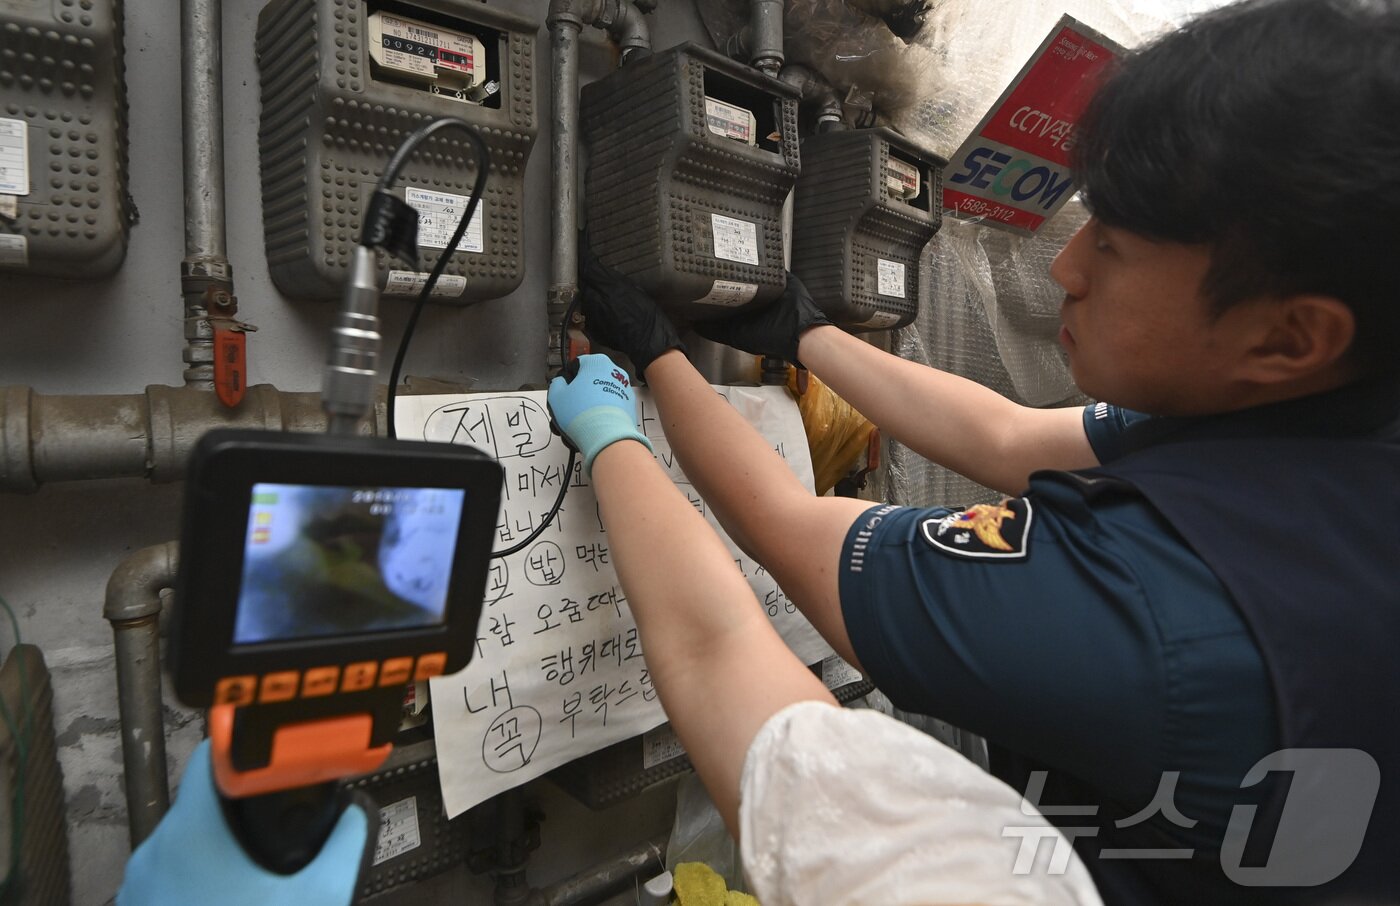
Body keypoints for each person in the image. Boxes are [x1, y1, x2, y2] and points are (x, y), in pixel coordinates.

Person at [573, 0, 1400, 902]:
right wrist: (812, 335)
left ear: (1290, 336)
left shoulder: (1135, 610)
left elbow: (753, 584)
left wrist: (645, 378)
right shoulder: (1302, 424)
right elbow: (1004, 436)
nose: (1065, 267)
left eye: (1114, 245)